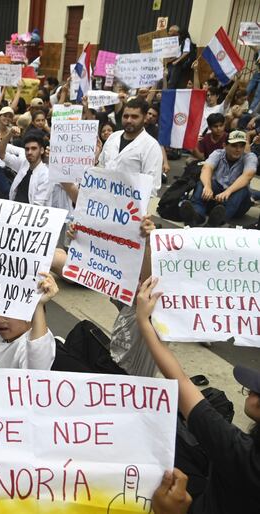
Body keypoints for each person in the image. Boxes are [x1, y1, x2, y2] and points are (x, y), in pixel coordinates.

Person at [135, 277, 260, 513]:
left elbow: (181, 383)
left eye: (256, 389)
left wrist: (143, 321)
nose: (251, 391)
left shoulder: (241, 456)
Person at [0, 273, 59, 369]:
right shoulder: (8, 330)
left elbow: (37, 355)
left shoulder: (27, 349)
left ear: (29, 314)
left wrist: (38, 304)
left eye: (7, 314)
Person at [180, 130, 256, 227]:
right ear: (225, 145)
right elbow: (206, 168)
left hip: (237, 204)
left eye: (241, 146)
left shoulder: (250, 157)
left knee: (242, 190)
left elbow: (248, 175)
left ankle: (216, 222)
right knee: (202, 183)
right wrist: (207, 187)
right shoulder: (218, 153)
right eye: (234, 146)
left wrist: (228, 191)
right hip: (216, 199)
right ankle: (196, 216)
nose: (238, 149)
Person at [98, 98, 164, 195]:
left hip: (130, 205)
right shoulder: (113, 137)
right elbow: (101, 167)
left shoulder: (151, 146)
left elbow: (151, 187)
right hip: (104, 200)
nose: (129, 120)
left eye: (134, 117)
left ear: (144, 118)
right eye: (125, 116)